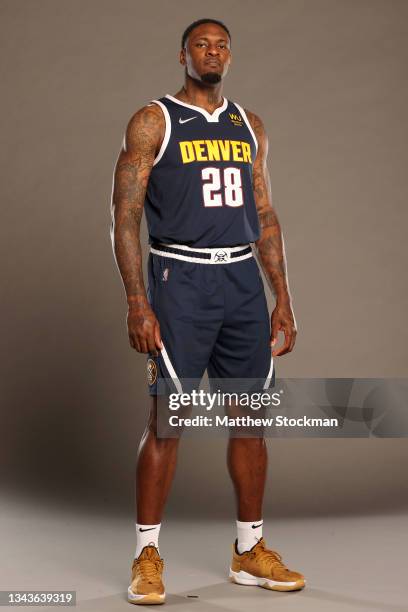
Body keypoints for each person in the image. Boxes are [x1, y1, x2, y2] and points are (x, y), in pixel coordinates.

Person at [110, 17, 305, 606]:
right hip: (180, 277)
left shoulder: (249, 124)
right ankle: (147, 554)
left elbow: (265, 214)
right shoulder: (154, 120)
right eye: (202, 44)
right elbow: (125, 216)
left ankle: (249, 550)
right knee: (169, 419)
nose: (212, 52)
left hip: (242, 278)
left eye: (222, 45)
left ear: (231, 56)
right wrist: (137, 300)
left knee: (251, 418)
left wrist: (284, 300)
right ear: (183, 55)